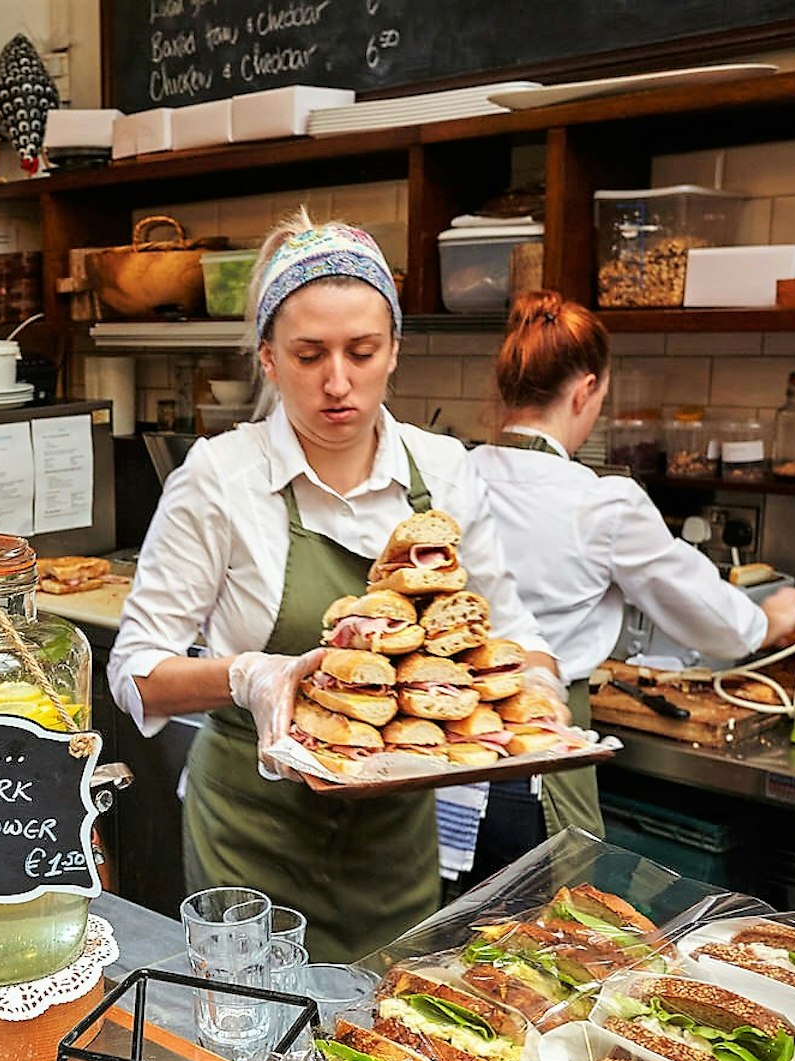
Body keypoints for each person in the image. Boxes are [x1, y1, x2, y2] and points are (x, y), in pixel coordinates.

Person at [106, 215, 561, 964]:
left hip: (395, 842)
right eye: (309, 354)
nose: (338, 382)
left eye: (363, 351)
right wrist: (250, 676)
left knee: (387, 1051)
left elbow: (512, 637)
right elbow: (136, 673)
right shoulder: (221, 479)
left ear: (395, 354)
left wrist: (535, 697)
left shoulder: (444, 472)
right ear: (269, 359)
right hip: (252, 840)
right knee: (253, 1046)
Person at [454, 291, 795, 884]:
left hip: (440, 761)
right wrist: (766, 620)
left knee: (445, 955)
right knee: (544, 951)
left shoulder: (453, 473)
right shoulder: (600, 502)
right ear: (584, 389)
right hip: (536, 760)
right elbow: (705, 613)